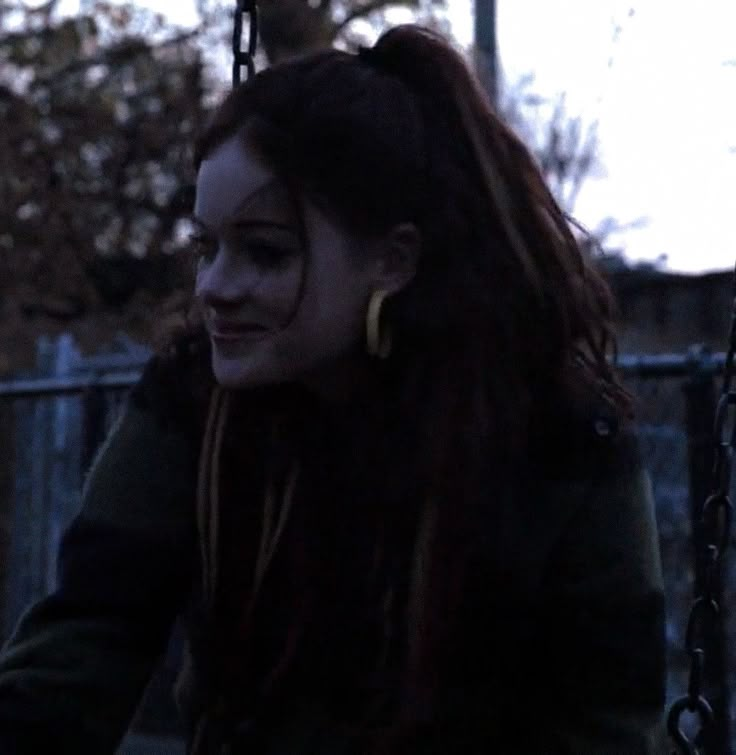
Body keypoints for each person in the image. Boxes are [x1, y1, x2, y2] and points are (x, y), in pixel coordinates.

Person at [0, 24, 667, 754]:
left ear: (391, 260)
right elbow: (86, 640)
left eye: (265, 251)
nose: (215, 288)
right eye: (206, 247)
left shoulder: (553, 435)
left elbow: (607, 720)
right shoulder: (198, 403)